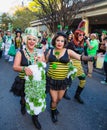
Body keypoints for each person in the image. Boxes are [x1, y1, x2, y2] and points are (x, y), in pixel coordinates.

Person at [45, 31, 94, 123]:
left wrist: (92, 57)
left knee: (59, 98)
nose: (60, 43)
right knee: (54, 99)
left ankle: (54, 107)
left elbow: (80, 57)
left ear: (64, 42)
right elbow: (44, 62)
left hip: (63, 81)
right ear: (54, 41)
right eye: (58, 40)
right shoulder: (50, 51)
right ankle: (53, 112)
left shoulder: (68, 51)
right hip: (51, 80)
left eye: (62, 41)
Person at [11, 33, 46, 129]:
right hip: (23, 81)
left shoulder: (39, 52)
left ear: (36, 41)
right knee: (24, 98)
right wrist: (24, 69)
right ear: (26, 40)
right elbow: (15, 67)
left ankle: (35, 118)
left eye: (34, 40)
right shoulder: (20, 52)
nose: (31, 41)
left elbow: (43, 64)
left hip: (36, 82)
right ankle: (23, 104)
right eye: (29, 39)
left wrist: (41, 61)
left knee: (35, 100)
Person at [64, 20, 90, 104]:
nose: (81, 36)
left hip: (79, 65)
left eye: (83, 35)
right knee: (69, 81)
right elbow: (65, 54)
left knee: (83, 79)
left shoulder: (82, 44)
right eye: (80, 34)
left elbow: (84, 53)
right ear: (76, 35)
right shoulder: (71, 44)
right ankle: (64, 93)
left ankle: (77, 95)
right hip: (71, 64)